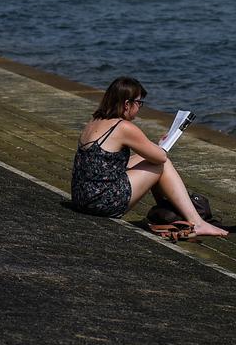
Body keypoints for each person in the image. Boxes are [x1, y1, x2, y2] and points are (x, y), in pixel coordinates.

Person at [71, 77, 227, 238]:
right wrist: (161, 147)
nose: (139, 107)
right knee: (163, 164)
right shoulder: (123, 127)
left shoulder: (95, 121)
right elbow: (160, 158)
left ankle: (169, 210)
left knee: (143, 157)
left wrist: (154, 150)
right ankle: (197, 222)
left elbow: (104, 163)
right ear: (126, 104)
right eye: (139, 103)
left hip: (82, 198)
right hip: (101, 203)